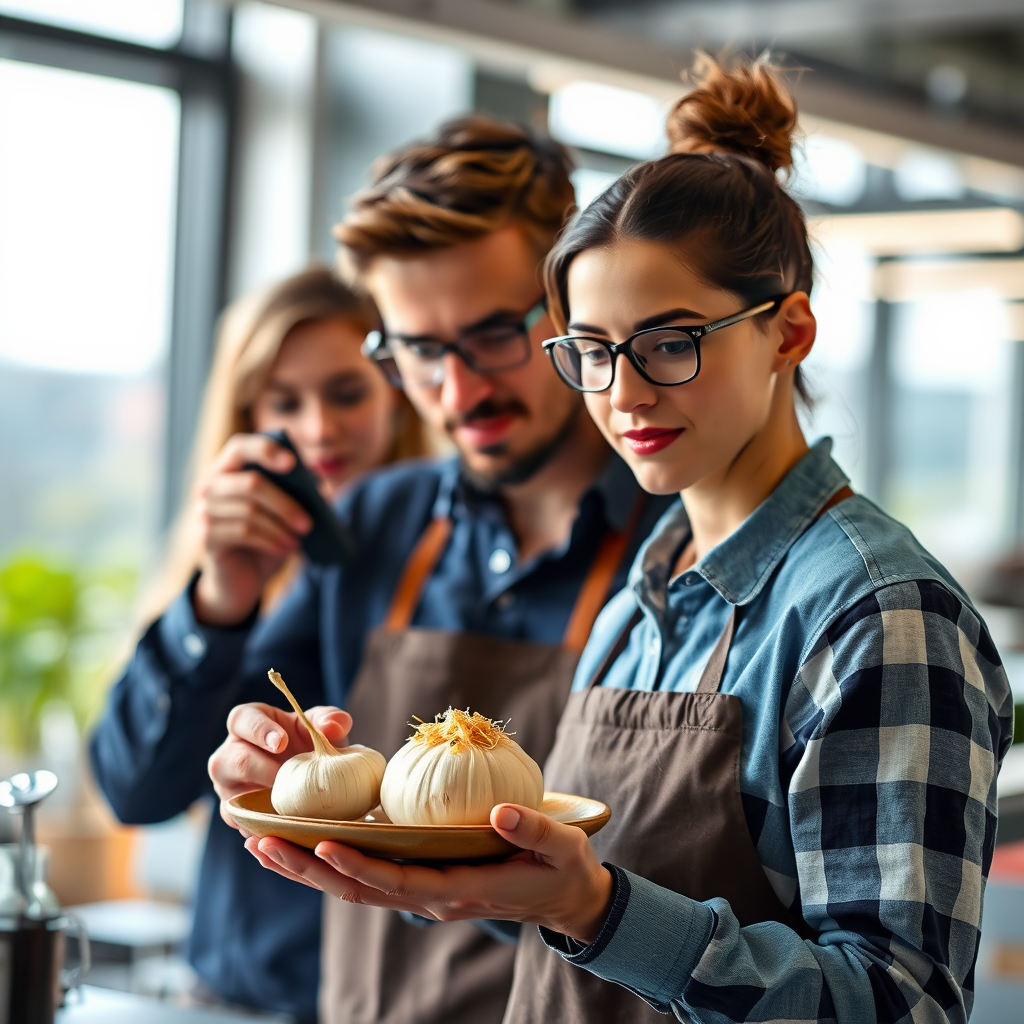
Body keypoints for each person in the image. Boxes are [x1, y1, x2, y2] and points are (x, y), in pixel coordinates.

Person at [247, 58, 1014, 1024]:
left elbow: (902, 1001)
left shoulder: (877, 614)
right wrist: (401, 843)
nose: (624, 392)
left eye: (669, 342)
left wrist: (595, 906)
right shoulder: (643, 598)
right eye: (593, 352)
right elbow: (560, 917)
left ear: (788, 332)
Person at [137, 117, 672, 1024]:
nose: (458, 394)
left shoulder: (678, 543)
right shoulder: (379, 524)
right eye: (419, 350)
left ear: (572, 311)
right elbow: (143, 785)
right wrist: (226, 633)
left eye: (496, 334)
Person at [91, 266, 426, 1021]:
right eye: (284, 402)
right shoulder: (219, 575)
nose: (318, 429)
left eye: (346, 393)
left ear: (395, 389)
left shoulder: (446, 558)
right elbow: (134, 788)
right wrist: (220, 598)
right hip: (233, 989)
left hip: (392, 988)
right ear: (245, 415)